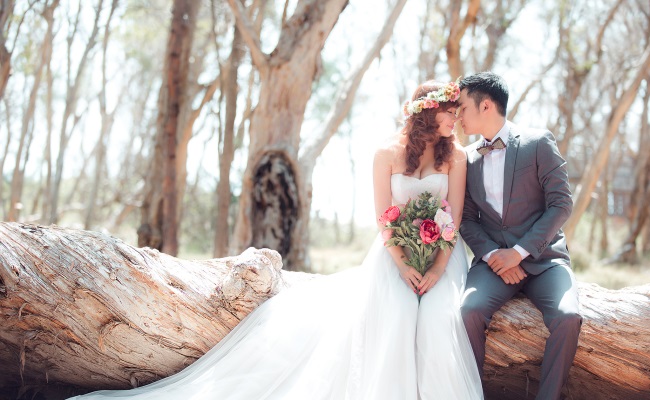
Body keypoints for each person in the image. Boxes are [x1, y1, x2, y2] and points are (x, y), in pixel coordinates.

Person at [68, 80, 483, 400]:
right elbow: (383, 218)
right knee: (395, 311)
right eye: (451, 111)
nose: (457, 120)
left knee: (436, 320)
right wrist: (405, 264)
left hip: (444, 255)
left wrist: (437, 266)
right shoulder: (385, 154)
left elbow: (456, 215)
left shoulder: (457, 156)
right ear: (429, 113)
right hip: (394, 254)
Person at [457, 72, 582, 400]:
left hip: (545, 261)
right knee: (468, 311)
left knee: (569, 317)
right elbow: (467, 220)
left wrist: (521, 252)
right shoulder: (466, 159)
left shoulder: (538, 142)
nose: (457, 116)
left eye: (461, 107)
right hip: (493, 263)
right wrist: (493, 257)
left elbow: (561, 205)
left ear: (485, 105)